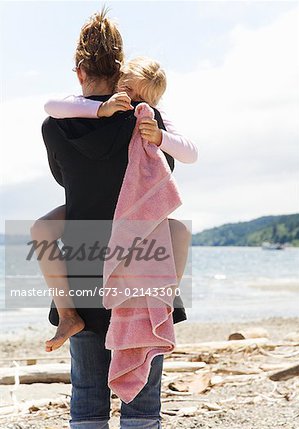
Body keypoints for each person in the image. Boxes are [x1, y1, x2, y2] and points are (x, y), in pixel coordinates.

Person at [32, 7, 192, 429]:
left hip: (82, 268)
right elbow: (166, 178)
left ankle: (67, 319)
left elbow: (66, 182)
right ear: (120, 69)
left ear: (79, 71)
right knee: (142, 401)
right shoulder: (146, 124)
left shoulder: (55, 125)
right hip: (144, 269)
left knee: (86, 395)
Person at [34, 56, 197, 353]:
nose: (131, 102)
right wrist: (102, 108)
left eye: (139, 99)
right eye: (127, 90)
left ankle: (161, 302)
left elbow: (190, 152)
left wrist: (160, 136)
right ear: (118, 80)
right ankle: (68, 314)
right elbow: (51, 105)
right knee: (41, 229)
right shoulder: (93, 109)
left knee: (180, 232)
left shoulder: (150, 118)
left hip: (126, 211)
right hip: (104, 213)